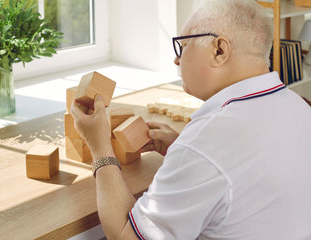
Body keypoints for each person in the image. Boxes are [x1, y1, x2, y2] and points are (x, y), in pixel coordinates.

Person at [71, 0, 311, 239]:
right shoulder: (299, 107)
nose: (177, 60)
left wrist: (100, 149)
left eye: (183, 46)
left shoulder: (207, 142)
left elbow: (128, 237)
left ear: (219, 50)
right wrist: (184, 152)